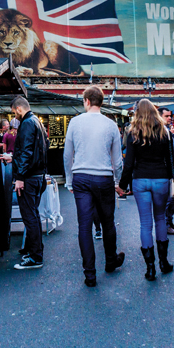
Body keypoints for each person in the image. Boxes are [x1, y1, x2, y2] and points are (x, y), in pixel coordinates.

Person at [64, 86, 124, 287]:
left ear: (87, 101)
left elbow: (67, 155)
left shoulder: (74, 122)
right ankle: (110, 260)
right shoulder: (111, 125)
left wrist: (69, 179)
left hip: (80, 176)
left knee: (84, 225)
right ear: (101, 102)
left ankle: (90, 274)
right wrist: (118, 182)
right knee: (108, 221)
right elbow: (118, 160)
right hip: (104, 177)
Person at [118, 99, 174, 280]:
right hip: (160, 179)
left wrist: (122, 186)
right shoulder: (164, 131)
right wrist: (172, 179)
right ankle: (164, 263)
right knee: (160, 218)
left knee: (145, 223)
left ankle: (150, 269)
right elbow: (170, 160)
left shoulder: (133, 133)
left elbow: (128, 164)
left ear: (137, 113)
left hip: (140, 180)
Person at [11, 97, 49, 270]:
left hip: (29, 177)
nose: (14, 116)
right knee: (33, 215)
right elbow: (38, 148)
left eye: (13, 112)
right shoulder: (37, 122)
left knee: (30, 216)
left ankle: (35, 256)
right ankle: (34, 251)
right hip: (38, 176)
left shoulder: (27, 123)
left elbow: (26, 152)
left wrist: (20, 177)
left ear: (19, 109)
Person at [159, 108, 174, 235]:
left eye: (170, 116)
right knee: (173, 196)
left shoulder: (167, 131)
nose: (170, 118)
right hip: (170, 167)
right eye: (167, 116)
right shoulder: (161, 132)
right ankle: (166, 223)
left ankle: (168, 221)